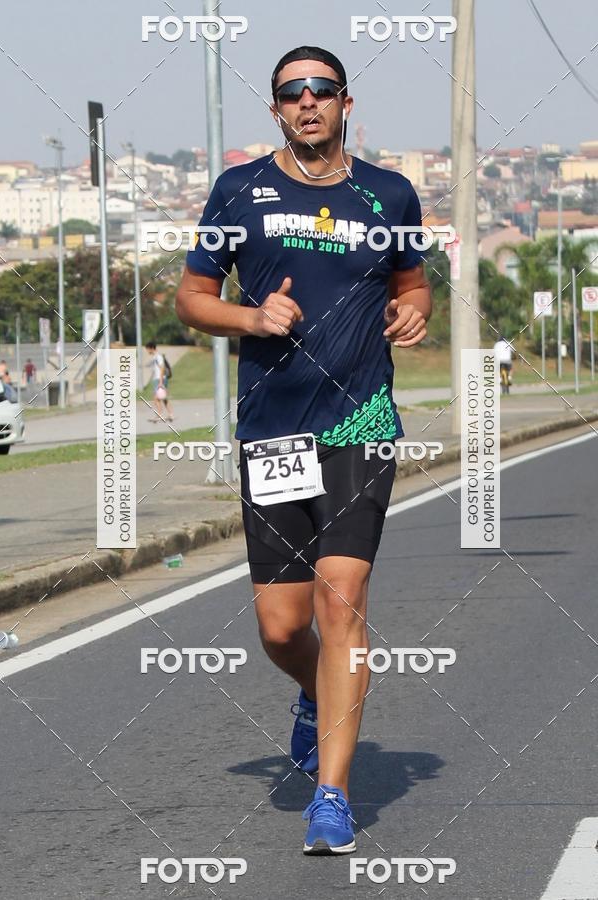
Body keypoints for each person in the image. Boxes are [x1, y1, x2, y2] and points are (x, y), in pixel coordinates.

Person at [176, 46, 432, 856]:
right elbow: (191, 297)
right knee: (283, 628)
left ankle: (333, 794)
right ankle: (312, 693)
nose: (308, 102)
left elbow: (411, 279)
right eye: (293, 93)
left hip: (360, 423)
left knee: (341, 599)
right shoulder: (239, 192)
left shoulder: (388, 193)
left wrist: (414, 310)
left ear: (346, 103)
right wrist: (252, 321)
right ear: (277, 110)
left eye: (322, 90)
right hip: (273, 431)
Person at [145, 341, 174, 422]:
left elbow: (162, 368)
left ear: (151, 348)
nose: (147, 351)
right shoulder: (155, 357)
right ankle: (171, 414)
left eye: (147, 349)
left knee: (156, 399)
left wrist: (161, 382)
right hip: (158, 379)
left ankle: (159, 415)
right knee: (163, 398)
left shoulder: (158, 357)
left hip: (160, 379)